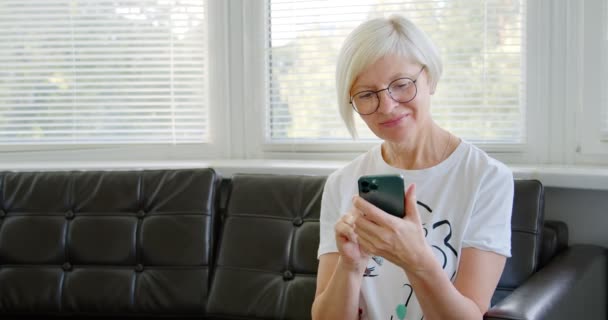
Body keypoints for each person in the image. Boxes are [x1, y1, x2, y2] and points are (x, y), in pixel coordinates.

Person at [311, 14, 513, 320]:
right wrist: (350, 266)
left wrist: (416, 258)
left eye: (401, 85)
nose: (388, 106)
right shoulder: (342, 183)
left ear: (429, 77)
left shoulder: (487, 178)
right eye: (366, 95)